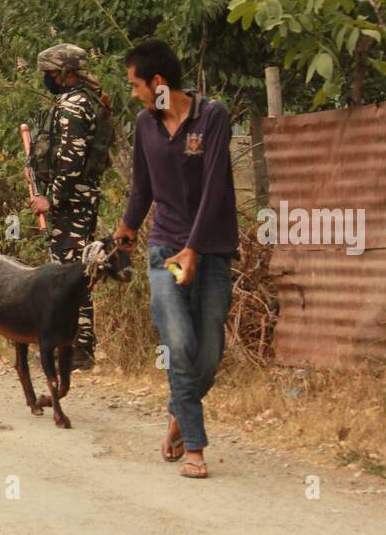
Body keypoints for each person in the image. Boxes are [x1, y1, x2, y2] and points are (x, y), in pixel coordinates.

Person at [113, 39, 238, 480]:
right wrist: (127, 228)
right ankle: (196, 448)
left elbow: (214, 188)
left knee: (209, 354)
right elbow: (142, 190)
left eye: (135, 85)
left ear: (158, 83)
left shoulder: (213, 117)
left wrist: (197, 248)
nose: (134, 93)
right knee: (180, 345)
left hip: (213, 251)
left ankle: (178, 414)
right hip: (165, 250)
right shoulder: (144, 126)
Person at [30, 43, 115, 370]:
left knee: (69, 274)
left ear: (65, 74)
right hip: (83, 198)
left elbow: (70, 159)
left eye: (50, 74)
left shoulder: (72, 107)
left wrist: (51, 198)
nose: (47, 79)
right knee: (74, 269)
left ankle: (77, 348)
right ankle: (74, 345)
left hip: (72, 202)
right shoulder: (88, 101)